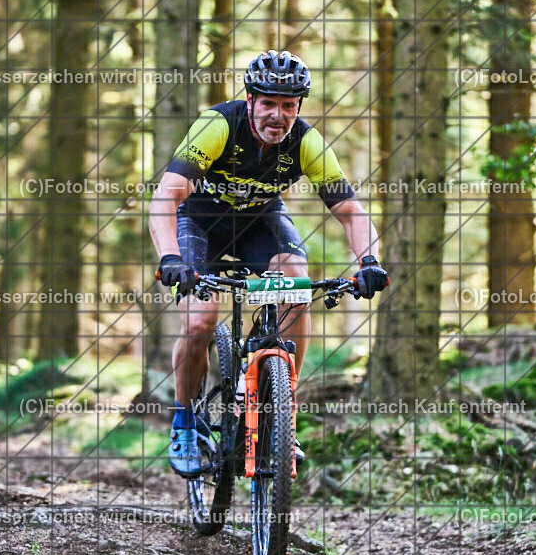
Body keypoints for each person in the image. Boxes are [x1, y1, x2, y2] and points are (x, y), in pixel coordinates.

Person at [148, 50, 389, 477]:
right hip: (200, 223)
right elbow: (167, 196)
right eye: (269, 103)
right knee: (201, 321)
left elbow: (350, 210)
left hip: (260, 222)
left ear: (298, 107)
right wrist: (170, 258)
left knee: (298, 286)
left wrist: (369, 260)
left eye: (289, 106)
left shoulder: (306, 142)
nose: (278, 116)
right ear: (250, 99)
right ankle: (185, 421)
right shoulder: (217, 125)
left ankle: (283, 415)